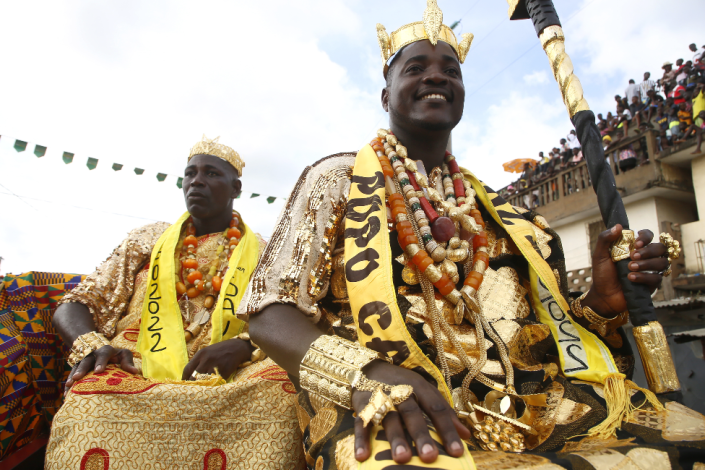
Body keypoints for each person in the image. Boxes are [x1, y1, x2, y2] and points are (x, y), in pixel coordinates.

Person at [237, 3, 705, 468]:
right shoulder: (336, 180)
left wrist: (602, 303)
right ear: (385, 96)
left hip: (539, 408)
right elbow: (269, 311)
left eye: (451, 71)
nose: (437, 77)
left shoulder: (507, 216)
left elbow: (549, 336)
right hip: (389, 405)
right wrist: (367, 376)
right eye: (415, 67)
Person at [45, 136, 305, 469]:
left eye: (211, 173)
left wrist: (243, 347)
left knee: (280, 390)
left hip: (225, 371)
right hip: (135, 364)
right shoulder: (149, 238)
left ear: (236, 188)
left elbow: (285, 318)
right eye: (190, 173)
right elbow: (79, 301)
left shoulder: (265, 251)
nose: (196, 180)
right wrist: (92, 344)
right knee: (90, 400)